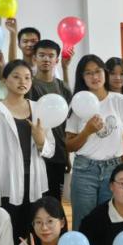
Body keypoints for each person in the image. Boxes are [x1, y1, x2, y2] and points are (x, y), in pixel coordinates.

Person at [0, 60, 54, 239]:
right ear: (4, 80)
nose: (23, 81)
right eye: (16, 77)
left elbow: (50, 150)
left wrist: (40, 140)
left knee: (35, 231)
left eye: (27, 78)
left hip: (36, 181)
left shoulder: (39, 108)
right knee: (10, 233)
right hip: (8, 183)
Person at [65, 54, 123, 227]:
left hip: (113, 168)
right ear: (82, 77)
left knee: (111, 220)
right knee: (83, 222)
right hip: (85, 169)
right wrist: (87, 131)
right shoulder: (77, 103)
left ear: (105, 72)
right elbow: (69, 145)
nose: (94, 77)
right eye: (88, 73)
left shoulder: (120, 101)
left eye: (97, 71)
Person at [27, 40, 72, 200]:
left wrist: (67, 155)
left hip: (58, 154)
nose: (46, 59)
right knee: (34, 201)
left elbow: (67, 125)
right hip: (33, 154)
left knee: (54, 202)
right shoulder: (28, 85)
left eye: (51, 56)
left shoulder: (63, 88)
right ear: (34, 58)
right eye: (42, 55)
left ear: (56, 60)